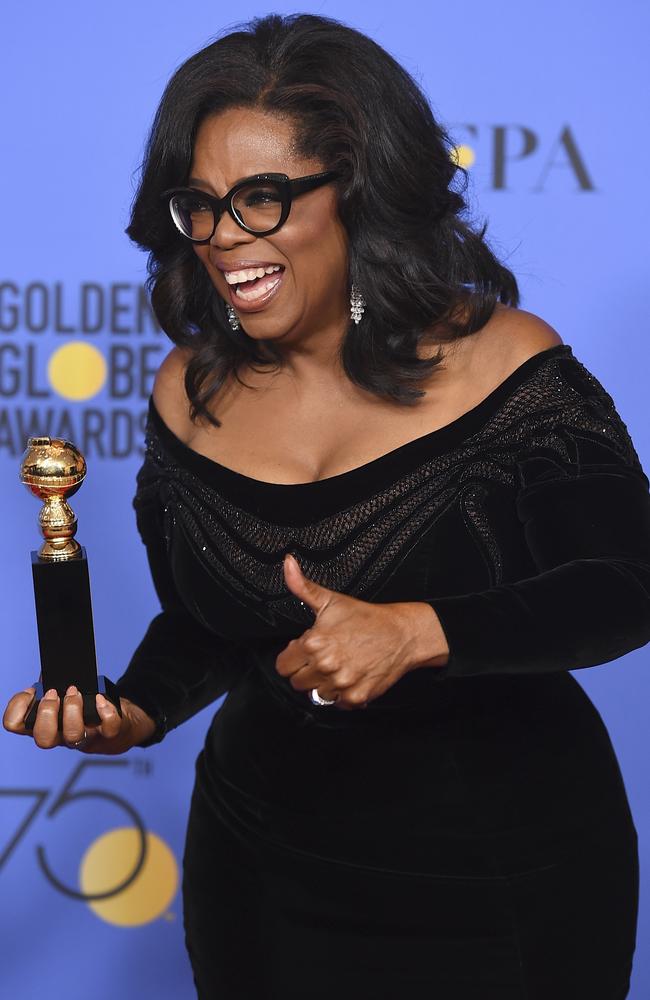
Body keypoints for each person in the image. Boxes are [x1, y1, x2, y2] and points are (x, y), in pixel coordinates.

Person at [4, 12, 650, 999]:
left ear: (355, 193)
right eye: (200, 206)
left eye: (261, 199)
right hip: (260, 872)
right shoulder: (189, 387)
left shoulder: (504, 363)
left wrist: (420, 631)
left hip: (498, 873)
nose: (222, 239)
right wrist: (133, 711)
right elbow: (212, 623)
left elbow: (626, 585)